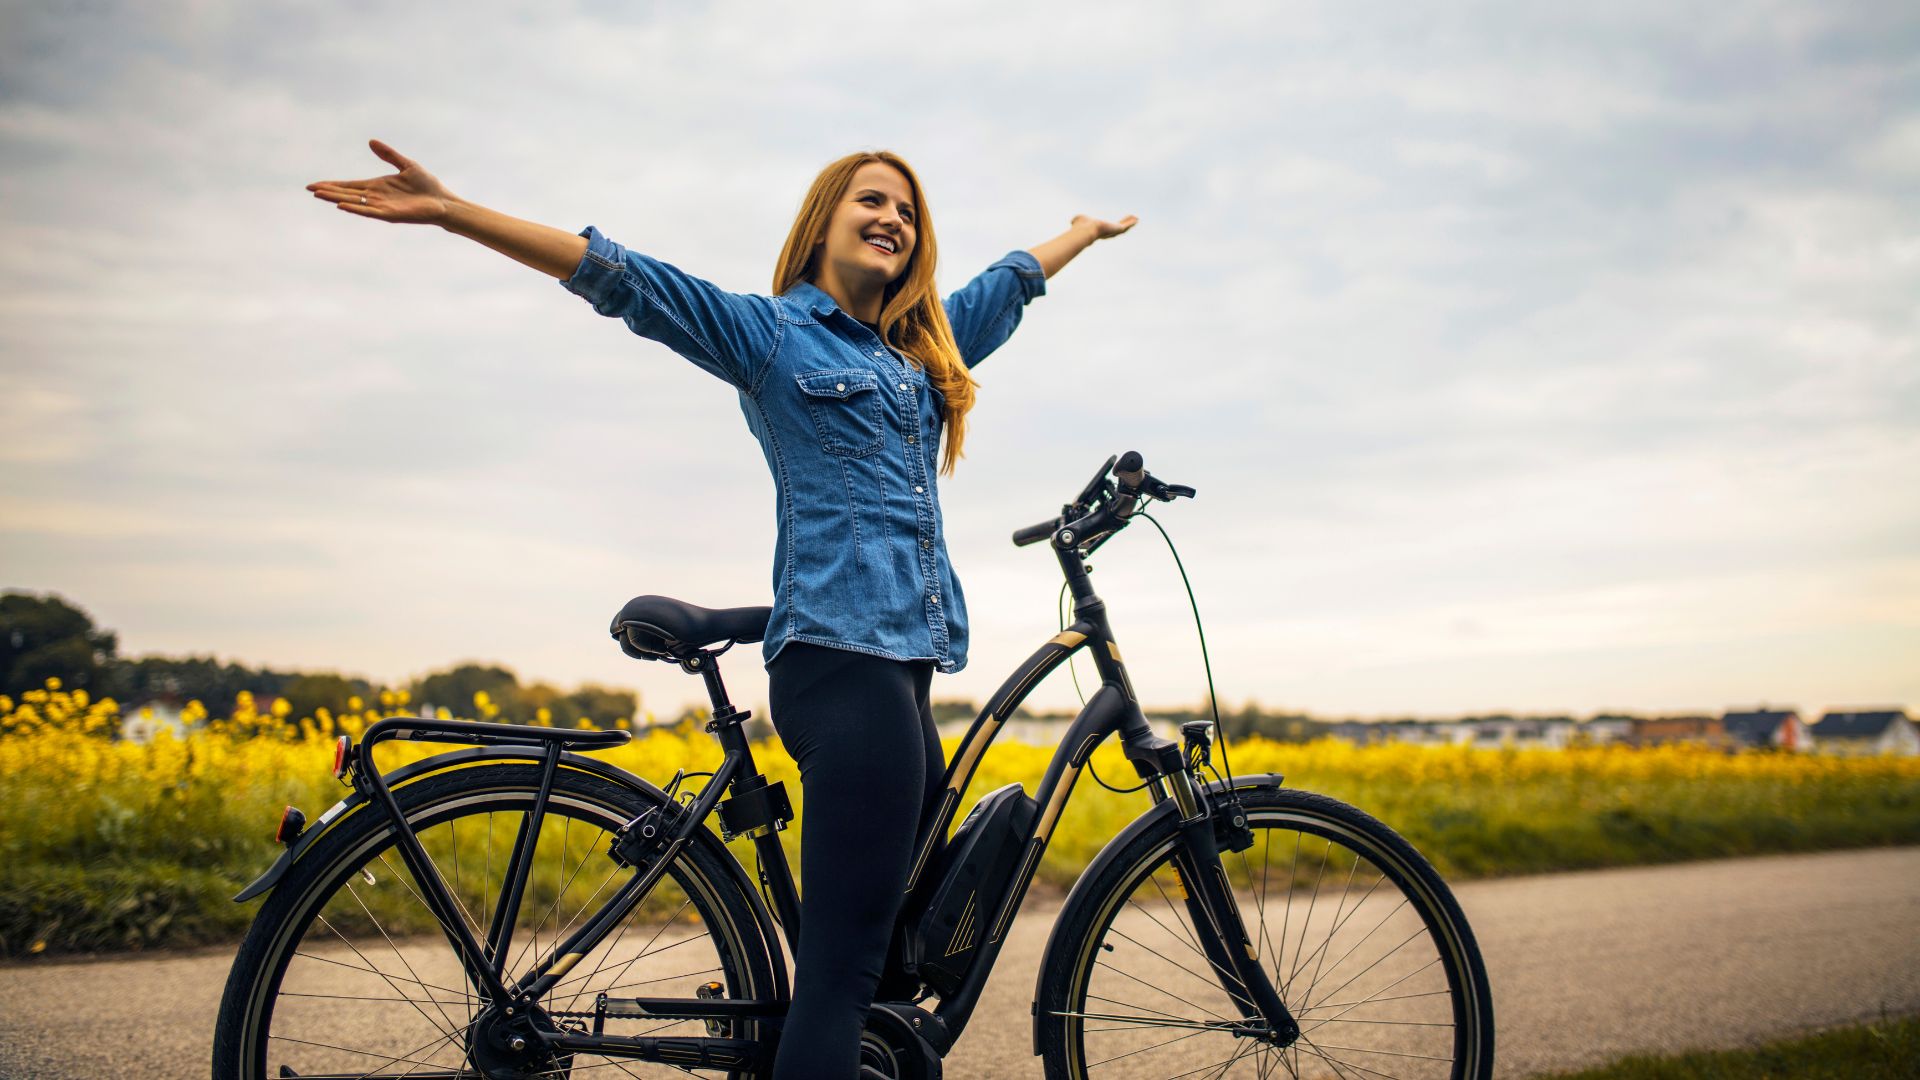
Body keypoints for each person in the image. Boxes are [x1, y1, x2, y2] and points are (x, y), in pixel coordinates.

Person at [305, 139, 1136, 1078]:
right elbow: (621, 278)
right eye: (871, 200)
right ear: (822, 223)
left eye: (908, 211)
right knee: (843, 977)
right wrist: (455, 212)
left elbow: (1007, 284)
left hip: (901, 679)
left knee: (882, 962)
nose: (893, 220)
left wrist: (1081, 232)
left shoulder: (923, 357)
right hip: (841, 669)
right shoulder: (772, 335)